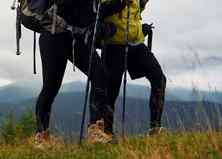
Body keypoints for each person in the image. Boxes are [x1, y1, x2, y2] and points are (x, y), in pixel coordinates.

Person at [34, 0, 127, 143]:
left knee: (100, 74)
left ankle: (95, 130)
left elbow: (94, 11)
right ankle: (41, 136)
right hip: (53, 34)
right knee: (51, 87)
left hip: (77, 37)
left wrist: (120, 4)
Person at [100, 0, 167, 136]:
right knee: (111, 91)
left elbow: (134, 13)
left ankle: (155, 128)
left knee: (159, 79)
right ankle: (106, 133)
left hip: (136, 42)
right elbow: (101, 10)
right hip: (114, 44)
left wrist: (141, 23)